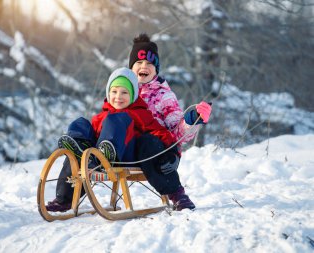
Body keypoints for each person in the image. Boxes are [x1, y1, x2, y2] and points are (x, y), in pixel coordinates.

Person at [46, 67, 177, 212]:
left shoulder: (141, 115)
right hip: (95, 157)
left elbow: (161, 133)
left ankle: (108, 153)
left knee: (117, 120)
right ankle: (78, 154)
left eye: (124, 92)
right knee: (81, 123)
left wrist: (172, 152)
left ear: (133, 95)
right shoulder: (101, 117)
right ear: (108, 93)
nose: (118, 97)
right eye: (114, 92)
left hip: (124, 155)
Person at [128, 33, 212, 211]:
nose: (144, 66)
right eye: (139, 62)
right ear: (131, 67)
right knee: (85, 129)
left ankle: (177, 193)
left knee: (147, 141)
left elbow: (177, 133)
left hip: (157, 151)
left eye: (150, 63)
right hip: (124, 150)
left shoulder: (163, 96)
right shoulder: (122, 92)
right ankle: (66, 195)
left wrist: (191, 122)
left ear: (156, 69)